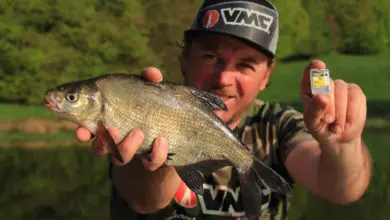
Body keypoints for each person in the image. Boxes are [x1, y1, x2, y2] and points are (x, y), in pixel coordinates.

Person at [76, 0, 372, 219]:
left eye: (245, 64)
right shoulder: (143, 106)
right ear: (184, 57)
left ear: (267, 75)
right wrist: (154, 156)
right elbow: (143, 200)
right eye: (211, 56)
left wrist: (342, 145)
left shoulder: (278, 125)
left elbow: (342, 189)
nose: (223, 78)